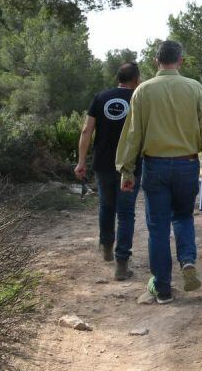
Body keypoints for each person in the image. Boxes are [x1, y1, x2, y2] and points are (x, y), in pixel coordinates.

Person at [115, 40, 202, 304]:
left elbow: (132, 135)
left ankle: (162, 288)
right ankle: (187, 260)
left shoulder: (143, 91)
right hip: (187, 164)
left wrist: (126, 171)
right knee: (184, 216)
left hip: (155, 166)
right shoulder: (195, 88)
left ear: (156, 61)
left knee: (158, 228)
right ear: (181, 61)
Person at [75, 62, 141, 280]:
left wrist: (81, 161)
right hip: (129, 165)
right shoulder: (139, 98)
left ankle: (106, 247)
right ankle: (122, 264)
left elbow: (87, 130)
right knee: (125, 213)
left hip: (103, 163)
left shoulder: (100, 97)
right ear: (136, 79)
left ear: (117, 78)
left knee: (106, 206)